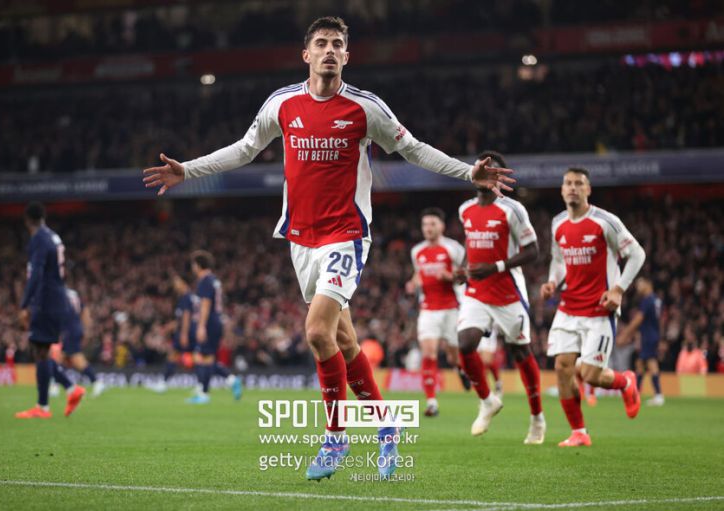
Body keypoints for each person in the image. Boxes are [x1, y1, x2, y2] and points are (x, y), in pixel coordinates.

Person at [143, 16, 513, 480]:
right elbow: (244, 148)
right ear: (307, 54)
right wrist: (189, 170)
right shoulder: (282, 103)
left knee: (317, 332)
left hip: (346, 235)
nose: (330, 50)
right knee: (344, 341)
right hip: (301, 239)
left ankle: (336, 436)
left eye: (338, 44)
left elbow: (414, 149)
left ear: (347, 56)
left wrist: (467, 172)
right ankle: (386, 425)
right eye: (321, 43)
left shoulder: (365, 108)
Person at [540, 168, 646, 447]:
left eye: (579, 183)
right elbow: (558, 260)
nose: (573, 188)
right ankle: (579, 432)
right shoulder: (557, 223)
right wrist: (552, 282)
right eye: (568, 183)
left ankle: (625, 382)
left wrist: (618, 289)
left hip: (599, 309)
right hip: (568, 307)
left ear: (588, 190)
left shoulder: (605, 222)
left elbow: (637, 254)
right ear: (562, 190)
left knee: (590, 375)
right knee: (562, 368)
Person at [457, 151, 545, 444]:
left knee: (520, 353)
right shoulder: (465, 210)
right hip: (476, 291)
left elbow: (533, 251)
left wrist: (494, 267)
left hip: (508, 292)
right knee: (465, 343)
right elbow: (472, 246)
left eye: (492, 169)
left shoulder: (513, 210)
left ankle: (537, 418)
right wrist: (464, 269)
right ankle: (487, 401)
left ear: (500, 177)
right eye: (482, 167)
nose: (486, 171)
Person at [15, 202, 86, 419]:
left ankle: (43, 406)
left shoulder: (39, 238)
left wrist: (24, 304)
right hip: (57, 298)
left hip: (46, 300)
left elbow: (36, 273)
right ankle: (70, 389)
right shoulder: (54, 237)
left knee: (39, 350)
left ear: (27, 220)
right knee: (41, 350)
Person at [406, 207, 466, 417]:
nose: (428, 228)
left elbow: (465, 275)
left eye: (432, 224)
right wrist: (413, 283)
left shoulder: (454, 248)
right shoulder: (417, 251)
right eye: (425, 224)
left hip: (451, 308)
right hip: (428, 309)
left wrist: (450, 276)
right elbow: (418, 273)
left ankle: (460, 369)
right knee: (429, 353)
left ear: (442, 226)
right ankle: (432, 402)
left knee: (453, 356)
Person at [187, 250, 242, 404]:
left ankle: (205, 392)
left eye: (193, 264)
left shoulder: (205, 280)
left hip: (209, 322)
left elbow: (205, 304)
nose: (192, 268)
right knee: (205, 357)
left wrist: (201, 326)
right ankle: (225, 382)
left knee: (203, 357)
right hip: (216, 320)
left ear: (198, 265)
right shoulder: (214, 280)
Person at [146, 274, 198, 393]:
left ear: (184, 283)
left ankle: (164, 383)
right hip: (190, 331)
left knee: (197, 358)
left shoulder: (186, 297)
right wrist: (167, 328)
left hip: (188, 332)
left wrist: (184, 334)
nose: (175, 285)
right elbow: (180, 320)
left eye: (177, 282)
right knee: (176, 355)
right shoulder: (189, 297)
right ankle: (164, 383)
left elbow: (186, 317)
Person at [617, 277, 664, 405]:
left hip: (648, 335)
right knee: (640, 364)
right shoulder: (657, 300)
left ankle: (658, 395)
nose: (638, 287)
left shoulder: (648, 300)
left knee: (651, 362)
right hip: (652, 334)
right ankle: (635, 393)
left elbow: (638, 320)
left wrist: (625, 335)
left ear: (648, 284)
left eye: (640, 284)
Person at [55, 287, 105, 397]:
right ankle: (57, 385)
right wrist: (85, 328)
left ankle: (96, 381)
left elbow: (59, 313)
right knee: (62, 358)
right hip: (75, 328)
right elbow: (84, 310)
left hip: (69, 330)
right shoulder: (72, 293)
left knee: (76, 359)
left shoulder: (60, 294)